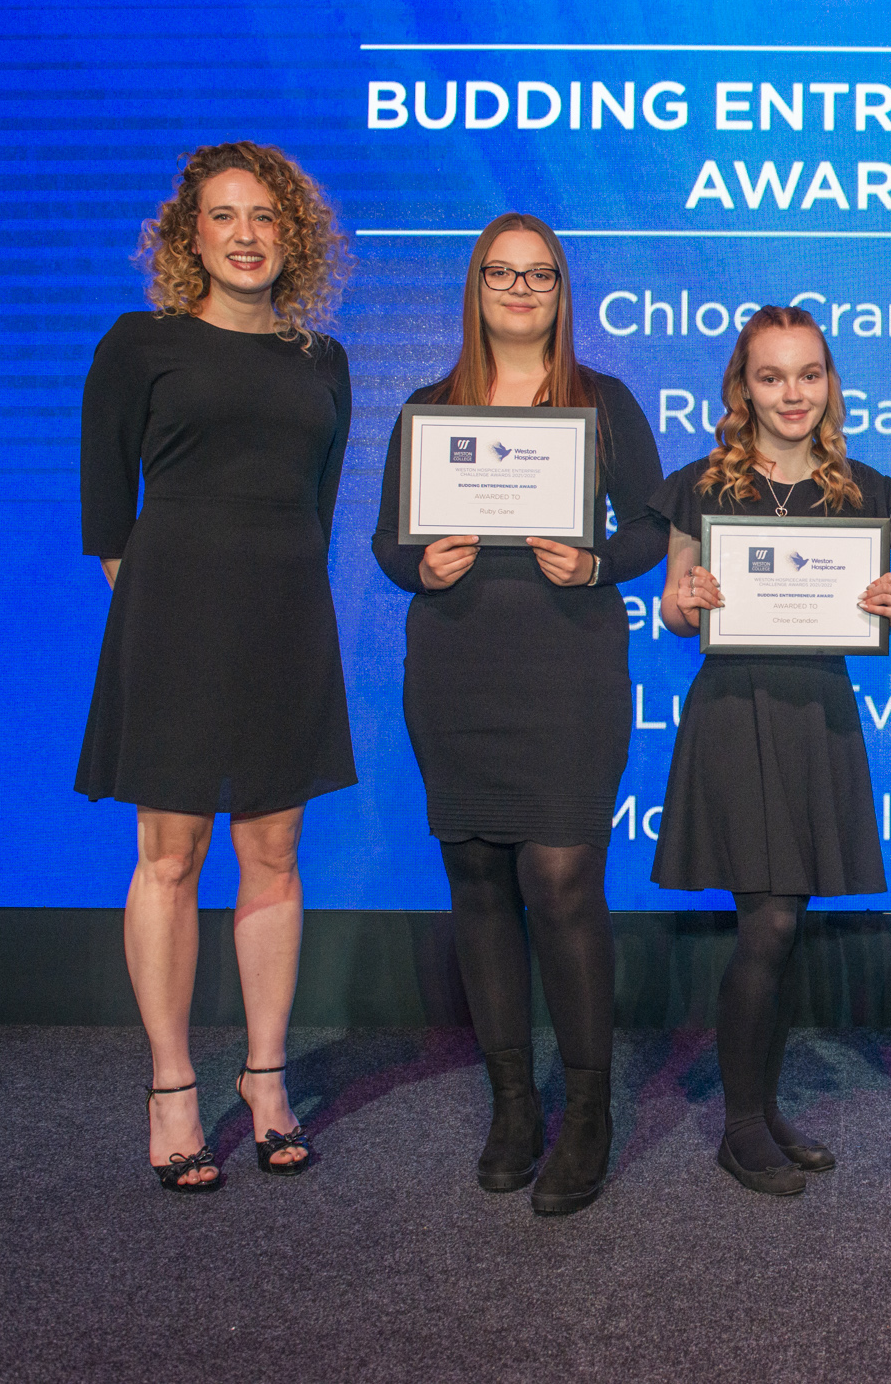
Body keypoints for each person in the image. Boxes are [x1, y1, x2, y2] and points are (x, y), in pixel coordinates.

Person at [371, 214, 665, 1214]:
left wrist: (596, 559)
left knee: (563, 876)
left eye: (539, 274)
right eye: (502, 273)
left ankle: (588, 1113)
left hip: (568, 666)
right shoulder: (427, 406)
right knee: (479, 876)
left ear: (560, 289)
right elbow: (385, 546)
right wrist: (422, 561)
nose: (521, 289)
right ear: (476, 285)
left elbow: (655, 529)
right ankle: (511, 1106)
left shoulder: (605, 402)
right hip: (456, 666)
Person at [78, 141, 354, 1192]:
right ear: (189, 235)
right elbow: (109, 523)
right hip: (173, 619)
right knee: (171, 855)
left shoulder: (318, 359)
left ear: (294, 235)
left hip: (286, 614)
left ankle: (268, 1081)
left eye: (266, 217)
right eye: (224, 216)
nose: (246, 235)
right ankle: (171, 1088)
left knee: (275, 854)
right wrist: (170, 619)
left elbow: (316, 510)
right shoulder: (138, 344)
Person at [650, 305, 891, 1196]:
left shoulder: (865, 490)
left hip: (817, 715)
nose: (791, 393)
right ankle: (742, 1125)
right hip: (736, 711)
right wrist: (692, 595)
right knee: (767, 919)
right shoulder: (701, 484)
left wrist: (884, 602)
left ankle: (763, 1110)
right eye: (771, 376)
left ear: (830, 384)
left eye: (808, 374)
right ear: (742, 388)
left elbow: (877, 600)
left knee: (788, 923)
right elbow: (678, 609)